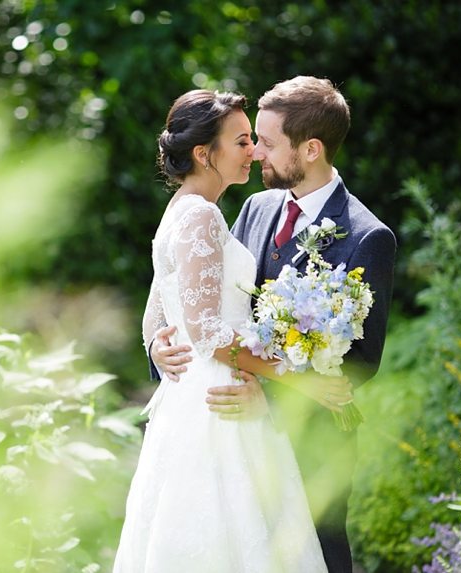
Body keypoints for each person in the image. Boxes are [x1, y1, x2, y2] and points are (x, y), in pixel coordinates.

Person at [150, 76, 396, 573]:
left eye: (265, 142)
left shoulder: (367, 236)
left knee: (316, 554)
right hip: (228, 426)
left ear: (310, 149)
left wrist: (270, 396)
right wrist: (160, 344)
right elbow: (204, 296)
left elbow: (360, 362)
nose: (256, 152)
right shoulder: (255, 207)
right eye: (249, 140)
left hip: (310, 435)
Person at [113, 89, 335, 572]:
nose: (253, 151)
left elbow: (155, 315)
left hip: (196, 391)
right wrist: (295, 376)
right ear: (203, 153)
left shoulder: (181, 208)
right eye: (241, 142)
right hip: (219, 397)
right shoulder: (201, 215)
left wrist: (157, 344)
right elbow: (209, 333)